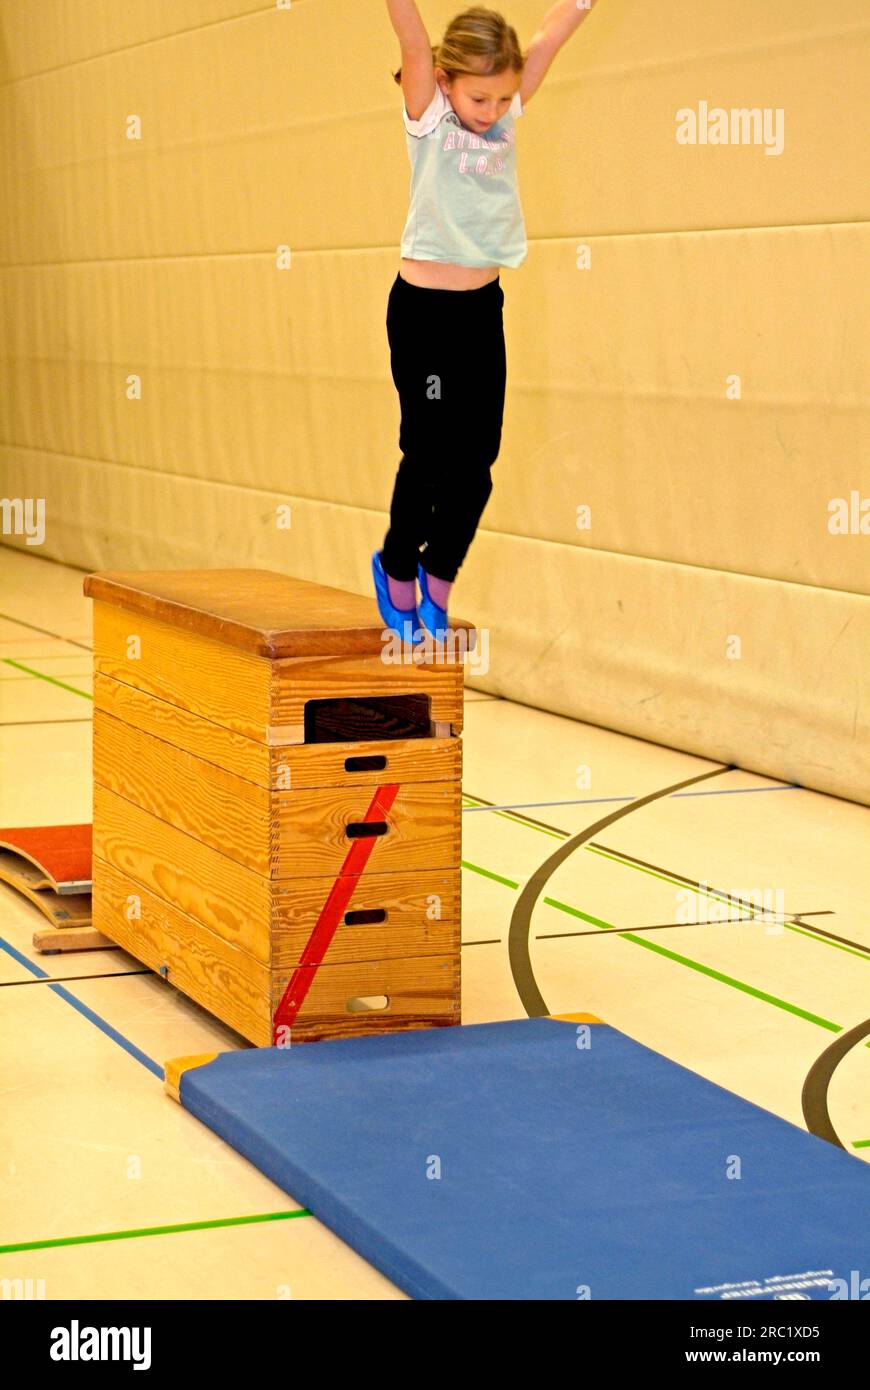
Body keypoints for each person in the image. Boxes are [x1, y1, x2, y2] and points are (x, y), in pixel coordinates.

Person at [373, 1, 599, 644]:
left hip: (479, 314)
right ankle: (394, 567)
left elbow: (551, 37)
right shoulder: (430, 113)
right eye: (480, 98)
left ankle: (437, 579)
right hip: (424, 316)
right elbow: (411, 38)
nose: (492, 112)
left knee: (477, 463)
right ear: (446, 82)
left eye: (503, 99)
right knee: (428, 454)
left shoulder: (503, 115)